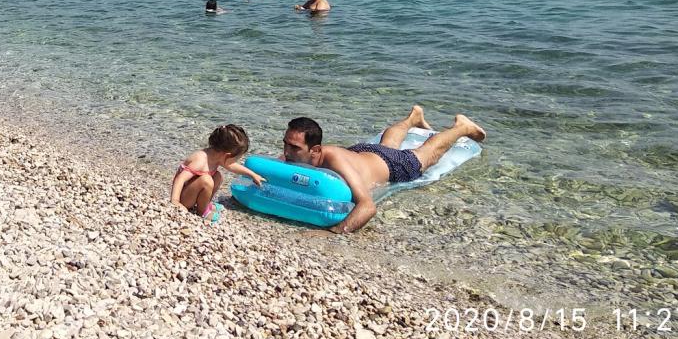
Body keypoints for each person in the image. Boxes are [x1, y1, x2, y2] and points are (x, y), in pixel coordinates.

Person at [281, 107, 486, 233]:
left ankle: (462, 127)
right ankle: (413, 118)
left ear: (315, 150)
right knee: (387, 144)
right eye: (286, 144)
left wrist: (335, 231)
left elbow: (368, 207)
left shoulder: (335, 161)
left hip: (391, 164)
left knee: (427, 154)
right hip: (362, 152)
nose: (286, 151)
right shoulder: (295, 155)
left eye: (294, 147)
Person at [171, 124, 264, 220]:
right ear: (227, 155)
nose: (235, 162)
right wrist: (175, 201)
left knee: (218, 176)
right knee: (206, 180)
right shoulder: (200, 160)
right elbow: (180, 179)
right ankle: (202, 212)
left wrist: (253, 175)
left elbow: (232, 166)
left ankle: (204, 204)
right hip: (185, 199)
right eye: (235, 159)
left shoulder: (217, 156)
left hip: (192, 193)